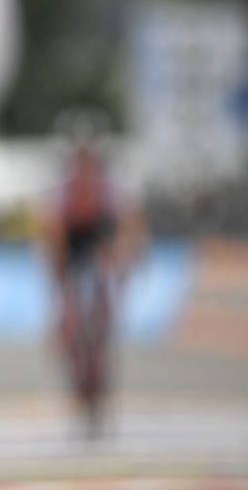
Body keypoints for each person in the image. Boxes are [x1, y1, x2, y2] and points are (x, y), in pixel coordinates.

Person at [36, 127, 146, 434]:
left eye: (90, 163)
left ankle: (98, 369)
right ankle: (74, 360)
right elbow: (51, 238)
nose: (84, 171)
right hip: (71, 249)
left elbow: (130, 228)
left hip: (100, 246)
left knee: (101, 310)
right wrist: (57, 281)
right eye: (79, 163)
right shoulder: (59, 192)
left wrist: (124, 267)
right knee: (70, 316)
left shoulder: (111, 190)